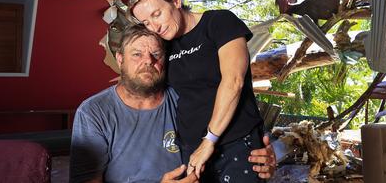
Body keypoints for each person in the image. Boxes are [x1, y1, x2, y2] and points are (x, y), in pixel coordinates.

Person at [69, 25, 275, 183]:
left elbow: (237, 130)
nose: (148, 61)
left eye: (156, 54)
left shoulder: (185, 97)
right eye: (137, 54)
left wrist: (264, 155)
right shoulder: (94, 112)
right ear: (120, 59)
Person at [129, 0, 265, 182]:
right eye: (146, 22)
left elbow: (234, 81)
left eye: (156, 14)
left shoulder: (219, 22)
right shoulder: (165, 46)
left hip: (235, 140)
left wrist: (209, 141)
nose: (154, 26)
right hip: (191, 149)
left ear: (175, 0)